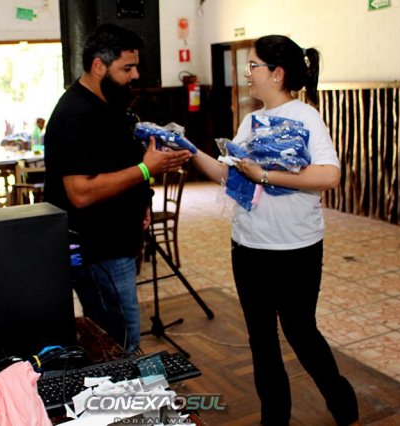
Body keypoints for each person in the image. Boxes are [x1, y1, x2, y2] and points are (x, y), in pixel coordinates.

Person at [190, 35, 360, 425]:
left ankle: (344, 409)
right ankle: (274, 419)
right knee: (262, 341)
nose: (247, 73)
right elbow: (229, 175)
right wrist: (190, 150)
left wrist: (265, 175)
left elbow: (329, 175)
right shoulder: (250, 121)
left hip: (297, 249)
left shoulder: (306, 117)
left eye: (253, 66)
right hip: (248, 247)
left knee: (301, 334)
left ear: (277, 73)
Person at [43, 23, 192, 353]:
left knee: (116, 337)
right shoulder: (76, 115)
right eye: (127, 68)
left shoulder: (109, 105)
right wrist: (146, 169)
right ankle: (119, 386)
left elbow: (119, 164)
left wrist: (142, 201)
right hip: (98, 250)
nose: (135, 75)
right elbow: (81, 193)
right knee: (120, 340)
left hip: (116, 242)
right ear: (99, 65)